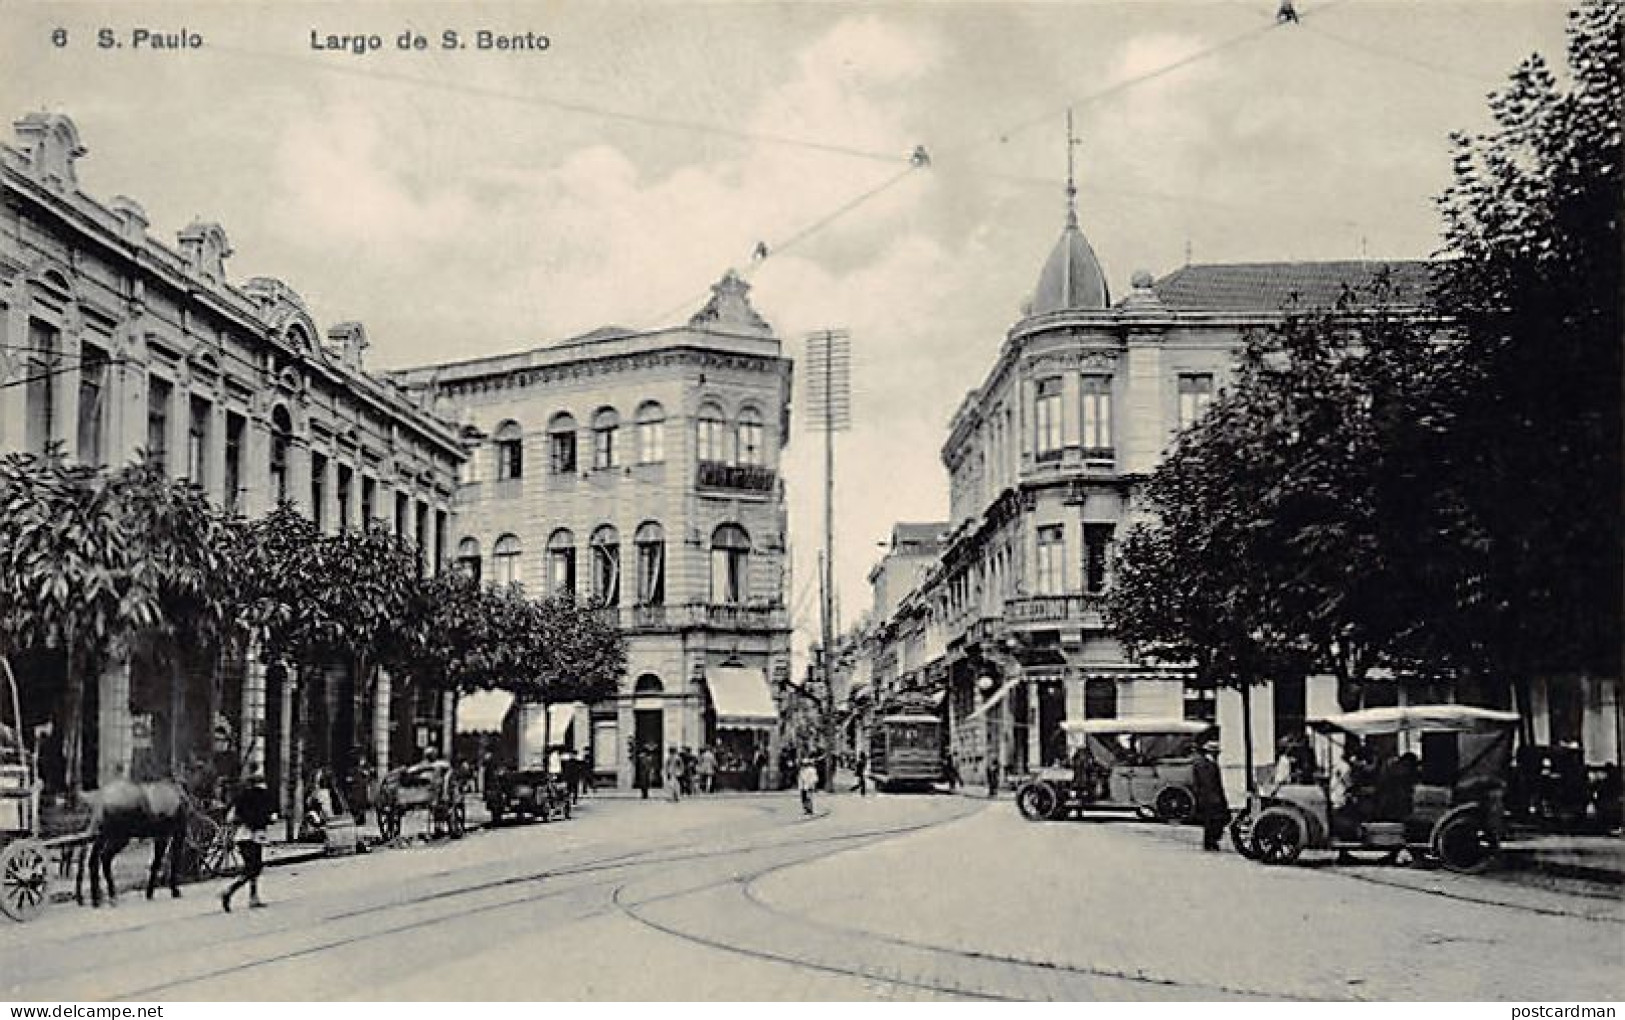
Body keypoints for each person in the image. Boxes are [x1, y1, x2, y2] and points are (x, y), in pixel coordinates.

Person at [222, 770, 275, 912]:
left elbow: (234, 816)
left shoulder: (241, 797)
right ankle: (230, 891)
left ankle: (253, 896)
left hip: (242, 835)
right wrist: (268, 820)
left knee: (252, 867)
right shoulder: (261, 796)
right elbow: (264, 816)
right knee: (254, 868)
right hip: (254, 835)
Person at [1191, 739, 1229, 851]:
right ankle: (1209, 842)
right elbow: (1204, 783)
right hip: (1208, 797)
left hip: (1214, 797)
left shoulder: (1211, 764)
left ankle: (1212, 841)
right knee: (1210, 821)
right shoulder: (1202, 764)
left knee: (1215, 820)